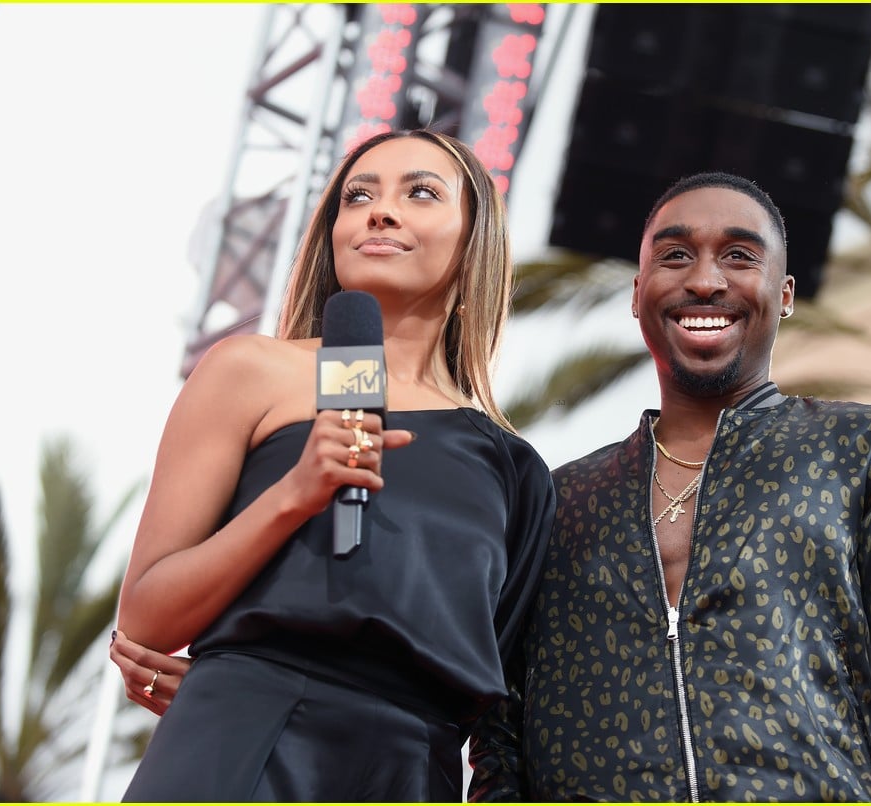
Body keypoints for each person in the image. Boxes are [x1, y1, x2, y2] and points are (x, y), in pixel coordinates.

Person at [115, 171, 871, 801]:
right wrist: (254, 680)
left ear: (784, 293)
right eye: (675, 256)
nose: (705, 279)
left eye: (739, 255)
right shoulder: (565, 497)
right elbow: (500, 726)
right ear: (637, 294)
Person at [113, 128, 555, 802]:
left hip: (410, 774)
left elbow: (501, 706)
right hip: (237, 744)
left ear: (474, 242)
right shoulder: (249, 371)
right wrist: (294, 493)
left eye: (421, 193)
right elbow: (146, 617)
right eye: (358, 196)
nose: (380, 212)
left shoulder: (515, 471)